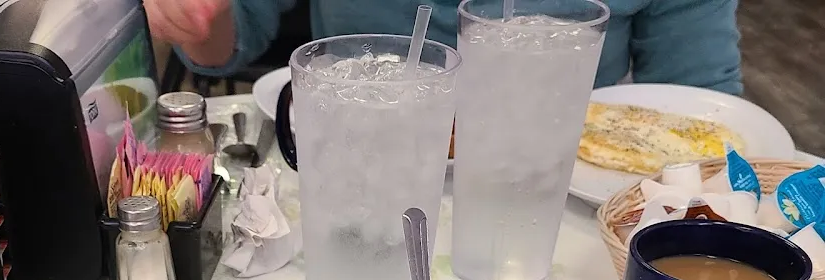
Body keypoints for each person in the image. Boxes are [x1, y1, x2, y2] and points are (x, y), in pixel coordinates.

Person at [143, 0, 742, 95]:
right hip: (357, 161)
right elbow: (228, 35)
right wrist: (197, 19)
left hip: (556, 194)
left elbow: (699, 99)